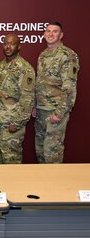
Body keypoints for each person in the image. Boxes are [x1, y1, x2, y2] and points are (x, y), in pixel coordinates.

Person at [0, 34, 35, 164]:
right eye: (6, 43)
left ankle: (14, 185)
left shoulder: (24, 68)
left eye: (12, 44)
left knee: (11, 160)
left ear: (19, 47)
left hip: (12, 122)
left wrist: (17, 122)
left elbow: (27, 99)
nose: (8, 46)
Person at [34, 22, 79, 163]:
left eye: (55, 31)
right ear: (44, 34)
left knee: (52, 152)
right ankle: (43, 183)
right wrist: (35, 105)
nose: (51, 34)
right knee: (40, 151)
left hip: (55, 111)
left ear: (61, 35)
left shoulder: (67, 55)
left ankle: (54, 184)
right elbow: (40, 83)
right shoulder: (43, 55)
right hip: (41, 110)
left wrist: (59, 113)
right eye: (48, 31)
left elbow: (69, 88)